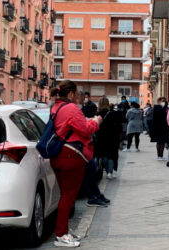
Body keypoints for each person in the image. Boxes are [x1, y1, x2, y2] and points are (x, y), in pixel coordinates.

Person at [50, 81, 101, 247]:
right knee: (68, 197)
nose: (79, 97)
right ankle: (61, 235)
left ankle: (63, 231)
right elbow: (85, 129)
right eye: (77, 94)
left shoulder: (56, 107)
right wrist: (96, 122)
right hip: (71, 155)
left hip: (59, 154)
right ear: (71, 93)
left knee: (65, 196)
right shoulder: (71, 108)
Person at [94, 97, 122, 180]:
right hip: (112, 137)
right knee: (111, 155)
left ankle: (103, 169)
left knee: (102, 154)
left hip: (100, 137)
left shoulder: (96, 114)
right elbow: (118, 126)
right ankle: (110, 172)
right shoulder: (113, 113)